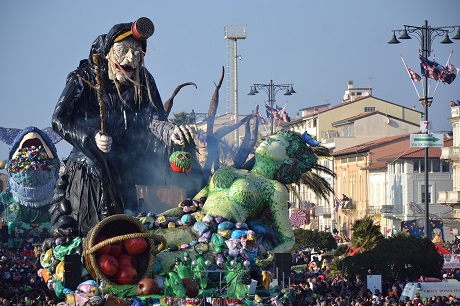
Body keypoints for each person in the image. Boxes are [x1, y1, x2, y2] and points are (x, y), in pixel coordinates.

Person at [49, 17, 194, 237]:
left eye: (137, 54)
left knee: (125, 235)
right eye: (123, 50)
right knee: (91, 236)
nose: (130, 59)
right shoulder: (84, 78)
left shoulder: (143, 80)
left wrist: (170, 131)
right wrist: (91, 137)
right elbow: (59, 119)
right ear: (107, 52)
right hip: (89, 173)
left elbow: (152, 119)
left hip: (124, 170)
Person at [155, 130, 330, 269]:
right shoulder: (233, 170)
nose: (267, 140)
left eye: (278, 141)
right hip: (192, 224)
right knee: (144, 240)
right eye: (270, 137)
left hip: (218, 242)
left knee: (159, 262)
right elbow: (192, 204)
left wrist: (271, 255)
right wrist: (156, 218)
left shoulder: (274, 188)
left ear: (289, 161)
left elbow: (288, 240)